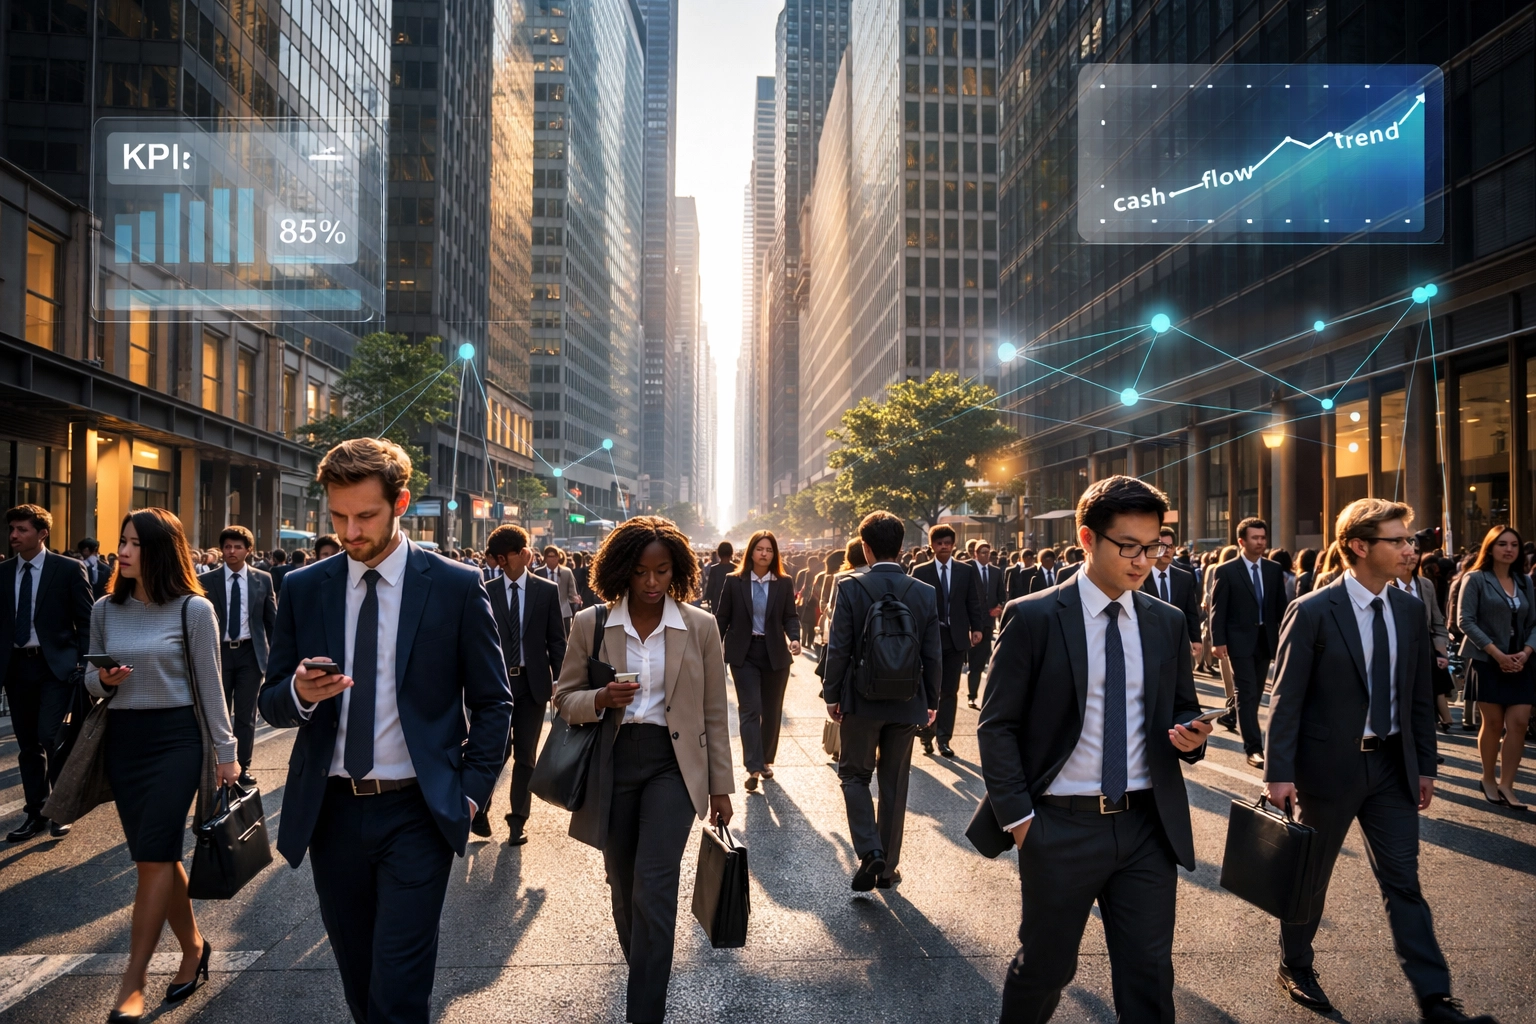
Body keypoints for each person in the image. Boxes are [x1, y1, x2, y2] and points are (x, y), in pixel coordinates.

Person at [257, 438, 512, 1024]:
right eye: (338, 516)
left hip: (418, 810)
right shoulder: (303, 587)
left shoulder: (453, 584)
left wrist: (470, 792)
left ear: (400, 503)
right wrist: (297, 693)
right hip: (334, 813)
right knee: (359, 982)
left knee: (398, 991)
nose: (349, 530)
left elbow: (494, 701)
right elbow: (270, 701)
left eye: (364, 515)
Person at [977, 476, 1211, 1023]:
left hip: (1146, 825)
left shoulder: (1166, 621)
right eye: (1127, 545)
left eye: (1152, 546)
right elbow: (997, 724)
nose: (1142, 560)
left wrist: (1190, 734)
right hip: (1059, 825)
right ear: (1087, 538)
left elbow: (1181, 706)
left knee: (1150, 974)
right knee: (1046, 968)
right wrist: (1021, 819)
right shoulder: (1034, 616)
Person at [1265, 499, 1496, 1024]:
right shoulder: (1314, 610)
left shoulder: (1411, 608)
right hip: (1328, 769)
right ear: (1359, 546)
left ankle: (1434, 998)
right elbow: (1287, 697)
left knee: (1403, 881)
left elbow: (1418, 696)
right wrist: (1279, 771)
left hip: (1392, 767)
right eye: (1398, 540)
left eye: (1410, 540)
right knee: (1311, 878)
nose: (1410, 549)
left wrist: (1427, 766)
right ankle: (1295, 963)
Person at [552, 516, 733, 1023]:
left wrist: (720, 785)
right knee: (623, 883)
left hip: (672, 767)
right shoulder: (591, 625)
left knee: (655, 884)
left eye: (661, 571)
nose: (651, 582)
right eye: (640, 572)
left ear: (677, 570)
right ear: (621, 572)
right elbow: (564, 698)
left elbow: (715, 712)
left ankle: (644, 1011)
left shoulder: (699, 627)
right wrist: (601, 698)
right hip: (610, 762)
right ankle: (646, 972)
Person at [84, 508, 240, 1021]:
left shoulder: (193, 609)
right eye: (121, 542)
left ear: (159, 551)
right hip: (125, 741)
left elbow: (212, 687)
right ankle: (194, 950)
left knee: (152, 858)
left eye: (133, 543)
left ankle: (133, 981)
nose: (122, 551)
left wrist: (227, 753)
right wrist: (103, 681)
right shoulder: (106, 607)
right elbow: (89, 676)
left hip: (176, 741)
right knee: (159, 855)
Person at [821, 511, 941, 890]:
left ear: (866, 548)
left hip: (861, 698)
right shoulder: (923, 592)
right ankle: (887, 868)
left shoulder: (850, 586)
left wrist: (832, 693)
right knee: (894, 782)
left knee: (854, 776)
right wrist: (931, 700)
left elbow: (838, 647)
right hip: (908, 699)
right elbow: (932, 653)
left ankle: (870, 850)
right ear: (902, 547)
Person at [2, 504, 93, 842]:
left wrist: (84, 664)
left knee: (50, 736)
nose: (14, 535)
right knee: (27, 745)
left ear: (42, 533)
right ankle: (36, 813)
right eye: (12, 528)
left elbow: (86, 620)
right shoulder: (4, 572)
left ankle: (61, 809)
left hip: (56, 667)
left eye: (22, 529)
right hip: (16, 667)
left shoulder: (68, 569)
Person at [476, 524, 566, 843]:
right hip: (495, 687)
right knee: (495, 751)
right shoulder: (485, 590)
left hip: (533, 685)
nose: (529, 552)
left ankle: (517, 821)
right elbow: (476, 643)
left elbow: (556, 641)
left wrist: (562, 684)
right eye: (521, 550)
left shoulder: (545, 590)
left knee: (526, 754)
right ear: (503, 559)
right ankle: (480, 807)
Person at [1455, 525, 1535, 809]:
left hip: (1521, 661)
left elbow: (1534, 623)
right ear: (1490, 547)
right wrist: (1497, 654)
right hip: (1487, 660)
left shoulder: (1524, 581)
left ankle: (1507, 785)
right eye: (1502, 544)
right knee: (1493, 724)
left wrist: (1525, 653)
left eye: (1514, 544)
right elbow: (1465, 620)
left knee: (1519, 723)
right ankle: (1488, 778)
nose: (1509, 549)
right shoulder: (1476, 578)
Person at [714, 530, 801, 793]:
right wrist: (711, 647)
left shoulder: (783, 582)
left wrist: (794, 638)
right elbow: (722, 617)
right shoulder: (734, 581)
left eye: (769, 550)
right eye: (760, 549)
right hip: (744, 654)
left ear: (775, 554)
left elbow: (790, 616)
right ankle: (752, 766)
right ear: (751, 551)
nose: (764, 553)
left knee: (772, 712)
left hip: (775, 653)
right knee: (750, 709)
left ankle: (765, 760)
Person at [1210, 517, 1289, 768]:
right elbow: (1217, 609)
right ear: (1241, 541)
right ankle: (1254, 748)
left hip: (1265, 641)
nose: (1260, 542)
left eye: (1263, 538)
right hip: (1238, 641)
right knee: (1246, 692)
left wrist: (1287, 637)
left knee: (1253, 696)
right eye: (1255, 538)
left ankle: (1234, 715)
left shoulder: (1273, 570)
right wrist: (1218, 640)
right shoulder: (1226, 570)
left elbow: (1280, 609)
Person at [207, 525, 277, 788]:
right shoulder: (207, 581)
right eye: (226, 547)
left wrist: (277, 659)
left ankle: (242, 766)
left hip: (251, 654)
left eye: (237, 546)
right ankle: (217, 764)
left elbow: (272, 621)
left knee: (246, 715)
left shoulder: (262, 579)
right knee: (218, 713)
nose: (231, 551)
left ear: (248, 550)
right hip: (217, 654)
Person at [912, 524, 984, 757]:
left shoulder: (965, 570)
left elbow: (973, 600)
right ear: (932, 545)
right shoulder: (920, 571)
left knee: (950, 690)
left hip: (956, 640)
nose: (944, 546)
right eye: (939, 543)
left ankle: (944, 738)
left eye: (948, 543)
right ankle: (926, 732)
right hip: (929, 640)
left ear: (954, 545)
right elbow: (914, 606)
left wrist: (977, 628)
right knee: (928, 688)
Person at [1397, 541, 1455, 733]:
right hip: (1396, 655)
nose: (1412, 556)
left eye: (1416, 552)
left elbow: (1437, 622)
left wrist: (1441, 653)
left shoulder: (1425, 585)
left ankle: (1426, 753)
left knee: (1425, 706)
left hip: (1426, 655)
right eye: (1407, 552)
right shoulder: (1383, 584)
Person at [1142, 526, 1203, 663]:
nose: (1167, 550)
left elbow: (1191, 611)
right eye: (1162, 546)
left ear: (1174, 549)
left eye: (1170, 546)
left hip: (1177, 643)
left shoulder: (1184, 577)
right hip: (1148, 644)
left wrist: (1196, 639)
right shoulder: (1141, 576)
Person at [968, 541, 1007, 710]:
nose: (986, 555)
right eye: (982, 552)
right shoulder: (967, 568)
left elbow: (1001, 595)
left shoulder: (996, 572)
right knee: (971, 660)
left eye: (988, 552)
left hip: (987, 623)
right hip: (970, 623)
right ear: (975, 553)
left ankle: (974, 696)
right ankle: (969, 693)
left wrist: (999, 607)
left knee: (980, 662)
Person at [537, 545, 581, 634]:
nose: (553, 559)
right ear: (545, 558)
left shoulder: (566, 572)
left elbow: (572, 591)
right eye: (550, 556)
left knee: (565, 637)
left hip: (564, 612)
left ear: (558, 557)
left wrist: (575, 600)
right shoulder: (538, 572)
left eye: (555, 556)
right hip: (544, 613)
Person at [702, 541, 733, 611]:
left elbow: (711, 585)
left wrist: (708, 598)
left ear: (719, 554)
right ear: (731, 553)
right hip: (733, 600)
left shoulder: (714, 569)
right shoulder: (736, 568)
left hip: (717, 600)